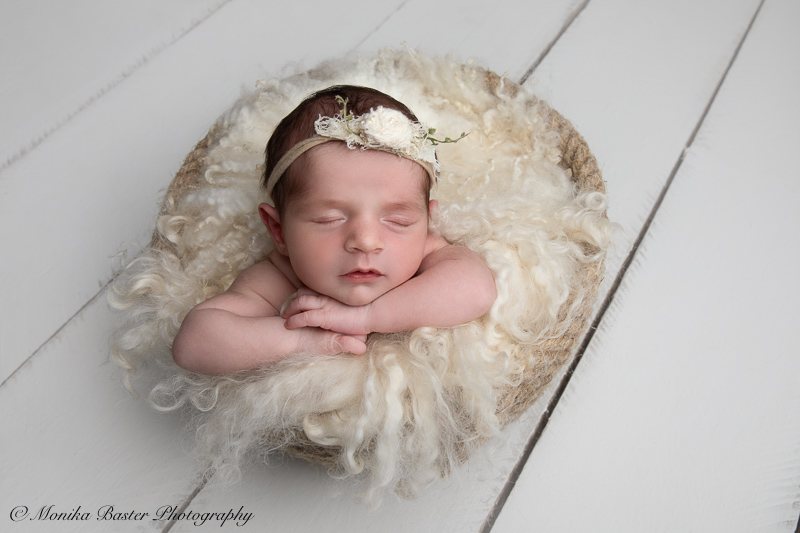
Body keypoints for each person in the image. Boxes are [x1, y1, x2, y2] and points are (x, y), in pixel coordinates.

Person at [172, 85, 497, 375]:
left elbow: (476, 289)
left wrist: (366, 317)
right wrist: (303, 340)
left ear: (426, 224)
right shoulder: (280, 277)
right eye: (330, 219)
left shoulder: (423, 250)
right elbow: (195, 342)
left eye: (398, 221)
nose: (366, 241)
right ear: (279, 231)